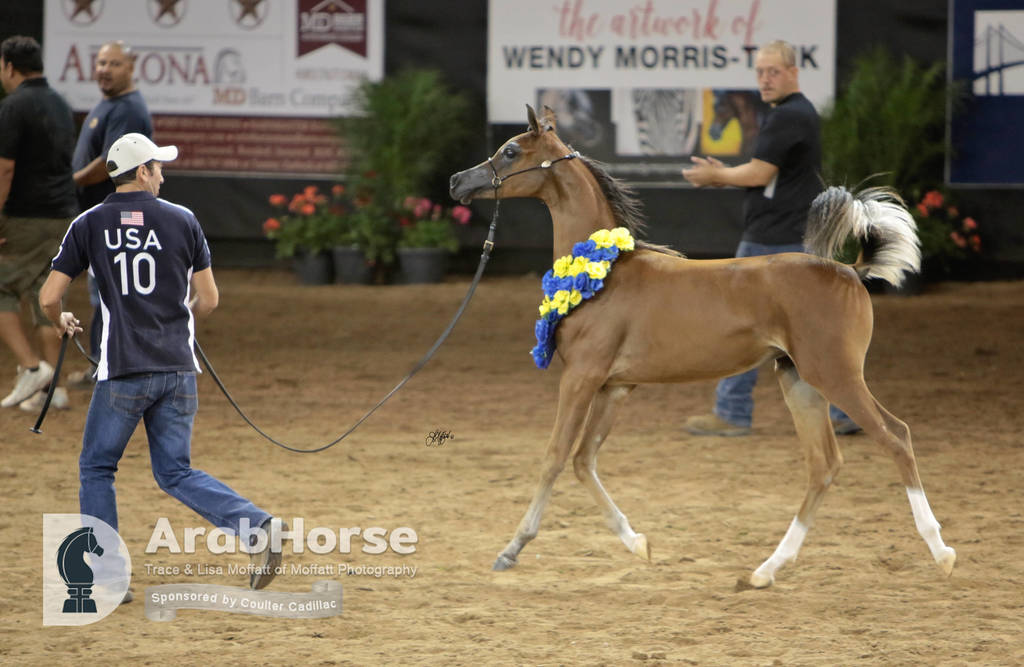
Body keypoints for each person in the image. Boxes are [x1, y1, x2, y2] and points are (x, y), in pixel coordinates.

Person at [38, 133, 284, 591]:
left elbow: (50, 296)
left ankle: (109, 577)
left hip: (122, 371)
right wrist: (178, 320)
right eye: (158, 167)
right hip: (176, 368)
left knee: (96, 468)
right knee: (175, 471)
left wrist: (62, 319)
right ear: (143, 171)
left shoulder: (88, 224)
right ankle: (258, 527)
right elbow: (208, 299)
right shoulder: (184, 219)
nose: (163, 174)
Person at [681, 40, 860, 437]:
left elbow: (760, 173)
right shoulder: (794, 114)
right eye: (760, 71)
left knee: (737, 326)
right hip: (786, 236)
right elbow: (764, 172)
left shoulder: (787, 117)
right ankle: (846, 411)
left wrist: (717, 176)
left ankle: (731, 411)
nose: (764, 79)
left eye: (773, 71)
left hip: (773, 239)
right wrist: (727, 172)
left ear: (793, 72)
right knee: (804, 331)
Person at [60, 40, 154, 399]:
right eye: (101, 62)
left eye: (114, 63)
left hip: (113, 216)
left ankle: (109, 365)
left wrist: (69, 182)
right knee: (104, 292)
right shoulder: (112, 104)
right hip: (103, 214)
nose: (104, 69)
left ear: (132, 66)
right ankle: (103, 363)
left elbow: (111, 164)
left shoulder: (128, 108)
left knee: (109, 293)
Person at [0, 36, 77, 410]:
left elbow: (5, 169)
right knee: (47, 299)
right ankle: (55, 389)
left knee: (1, 290)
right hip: (63, 216)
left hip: (25, 217)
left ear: (9, 67)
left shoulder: (13, 107)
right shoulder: (62, 104)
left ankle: (32, 368)